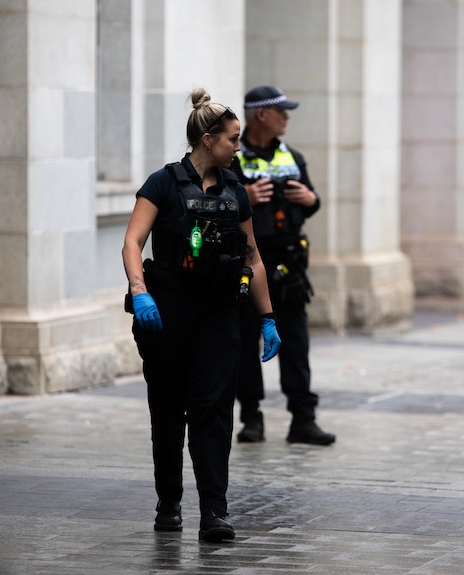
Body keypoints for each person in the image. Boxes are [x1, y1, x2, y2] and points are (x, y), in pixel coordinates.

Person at [122, 88, 281, 542]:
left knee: (213, 413)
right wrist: (140, 291)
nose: (238, 146)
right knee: (169, 411)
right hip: (167, 312)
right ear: (209, 139)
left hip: (217, 315)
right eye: (233, 139)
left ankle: (214, 511)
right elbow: (132, 242)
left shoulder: (236, 191)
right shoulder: (162, 183)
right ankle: (169, 502)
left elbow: (252, 257)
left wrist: (267, 317)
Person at [233, 85, 335, 446]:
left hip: (289, 269)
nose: (287, 117)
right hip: (248, 266)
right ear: (262, 114)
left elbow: (310, 200)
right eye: (281, 111)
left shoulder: (292, 156)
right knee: (246, 344)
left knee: (296, 343)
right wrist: (242, 196)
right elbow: (210, 200)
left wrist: (312, 199)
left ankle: (303, 420)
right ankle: (251, 419)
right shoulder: (234, 157)